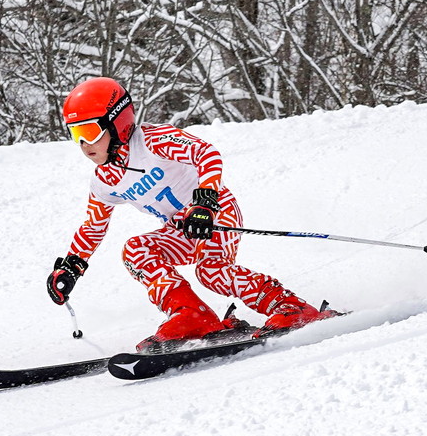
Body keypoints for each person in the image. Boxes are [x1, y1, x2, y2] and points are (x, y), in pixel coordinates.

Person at [46, 76, 335, 351]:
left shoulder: (152, 141)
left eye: (89, 132)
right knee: (136, 249)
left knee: (211, 271)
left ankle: (291, 308)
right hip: (182, 228)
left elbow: (206, 153)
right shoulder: (105, 178)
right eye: (76, 135)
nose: (84, 145)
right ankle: (192, 316)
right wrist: (72, 265)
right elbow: (94, 225)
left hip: (215, 212)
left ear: (117, 123)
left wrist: (204, 202)